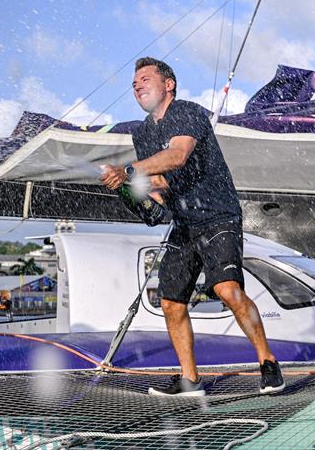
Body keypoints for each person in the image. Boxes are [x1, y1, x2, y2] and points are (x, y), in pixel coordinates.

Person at [100, 57, 284, 397]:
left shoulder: (187, 111)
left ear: (168, 84)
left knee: (226, 290)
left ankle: (267, 362)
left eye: (145, 78)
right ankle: (190, 380)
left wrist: (127, 171)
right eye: (134, 82)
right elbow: (158, 180)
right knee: (171, 302)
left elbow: (177, 155)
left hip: (217, 214)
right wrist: (131, 193)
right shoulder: (142, 132)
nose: (137, 85)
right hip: (184, 221)